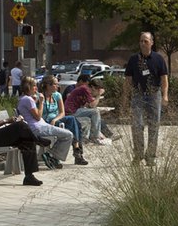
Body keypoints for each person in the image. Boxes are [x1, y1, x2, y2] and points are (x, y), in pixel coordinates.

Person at [124, 31, 168, 165]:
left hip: (154, 95)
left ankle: (150, 157)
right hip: (138, 95)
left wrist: (165, 95)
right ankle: (138, 155)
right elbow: (127, 80)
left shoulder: (159, 59)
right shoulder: (133, 59)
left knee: (154, 126)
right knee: (137, 125)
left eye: (146, 41)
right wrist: (125, 97)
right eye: (141, 41)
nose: (143, 43)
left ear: (151, 43)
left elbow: (164, 79)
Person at [17, 75, 73, 169]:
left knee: (65, 134)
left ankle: (52, 156)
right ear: (28, 87)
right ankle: (52, 156)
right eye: (34, 86)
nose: (36, 88)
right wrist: (41, 102)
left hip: (39, 126)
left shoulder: (23, 98)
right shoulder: (28, 99)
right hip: (38, 128)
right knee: (68, 135)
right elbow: (38, 117)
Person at [40, 75, 88, 166]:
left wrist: (55, 119)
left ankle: (76, 149)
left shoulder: (57, 95)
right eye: (55, 84)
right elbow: (38, 114)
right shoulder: (41, 97)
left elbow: (62, 113)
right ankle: (77, 153)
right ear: (48, 85)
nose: (58, 86)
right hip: (45, 122)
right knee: (76, 125)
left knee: (72, 120)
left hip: (57, 119)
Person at [63, 73, 114, 146]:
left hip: (74, 111)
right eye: (97, 90)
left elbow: (89, 106)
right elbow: (92, 105)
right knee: (95, 112)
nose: (95, 93)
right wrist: (98, 95)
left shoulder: (85, 90)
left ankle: (86, 139)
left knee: (89, 118)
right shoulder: (85, 89)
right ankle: (96, 137)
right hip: (70, 112)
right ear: (92, 87)